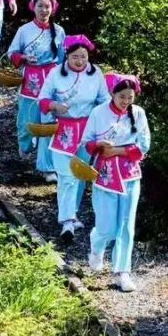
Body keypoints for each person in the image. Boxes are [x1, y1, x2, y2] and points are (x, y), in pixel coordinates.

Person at [83, 74, 151, 292]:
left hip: (130, 175)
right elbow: (86, 143)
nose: (126, 101)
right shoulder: (98, 112)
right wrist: (100, 145)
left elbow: (144, 144)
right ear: (112, 93)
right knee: (106, 226)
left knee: (126, 226)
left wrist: (119, 151)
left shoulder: (138, 113)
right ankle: (97, 245)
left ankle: (123, 272)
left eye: (130, 97)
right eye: (122, 96)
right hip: (105, 176)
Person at [37, 36, 108, 242]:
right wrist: (54, 106)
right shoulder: (56, 73)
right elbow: (43, 99)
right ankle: (67, 222)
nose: (79, 61)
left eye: (83, 57)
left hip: (87, 130)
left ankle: (73, 212)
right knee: (66, 177)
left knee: (79, 176)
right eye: (75, 56)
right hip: (64, 131)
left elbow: (104, 101)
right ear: (67, 55)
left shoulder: (96, 74)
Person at [7, 0, 65, 179]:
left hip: (51, 82)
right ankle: (25, 145)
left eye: (47, 6)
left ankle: (47, 168)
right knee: (26, 124)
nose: (44, 10)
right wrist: (23, 58)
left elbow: (64, 60)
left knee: (48, 125)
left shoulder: (59, 31)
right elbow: (12, 53)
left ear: (52, 8)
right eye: (40, 6)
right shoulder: (24, 30)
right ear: (34, 7)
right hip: (30, 82)